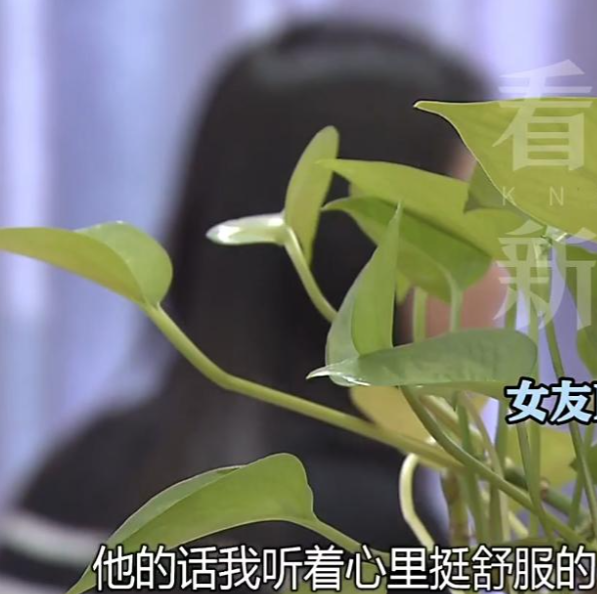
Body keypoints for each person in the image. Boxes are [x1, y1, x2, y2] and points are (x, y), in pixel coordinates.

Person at [0, 20, 494, 593]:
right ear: (361, 253)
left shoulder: (74, 475)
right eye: (478, 228)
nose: (506, 272)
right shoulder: (365, 536)